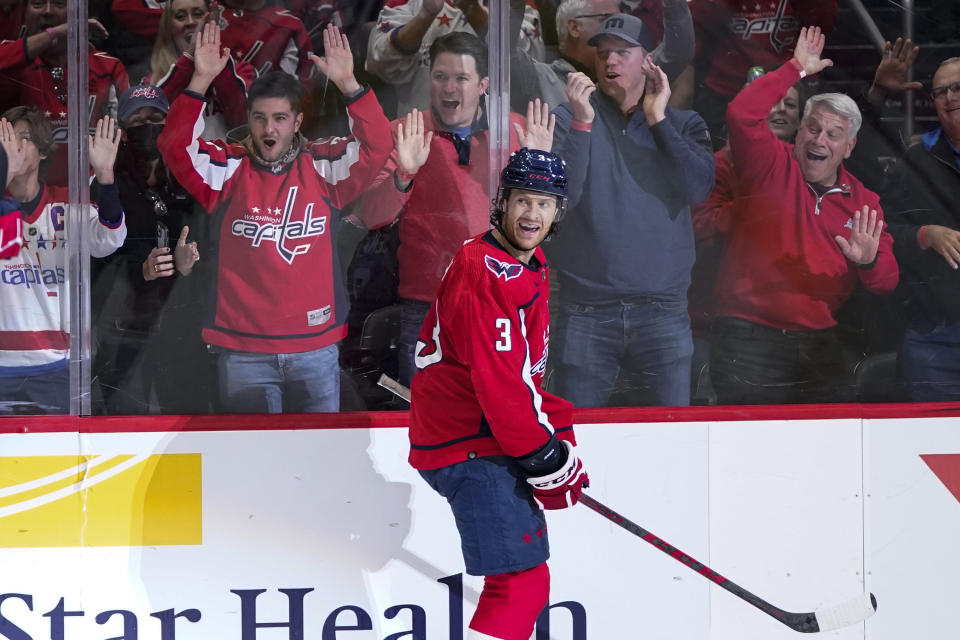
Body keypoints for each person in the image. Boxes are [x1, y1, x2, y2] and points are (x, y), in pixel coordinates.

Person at [158, 22, 392, 413]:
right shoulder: (228, 169)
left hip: (315, 348)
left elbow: (377, 145)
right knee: (254, 466)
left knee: (318, 458)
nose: (270, 130)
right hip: (244, 351)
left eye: (281, 118)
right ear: (248, 119)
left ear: (297, 122)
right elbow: (176, 147)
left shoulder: (322, 166)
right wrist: (200, 80)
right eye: (260, 118)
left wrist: (350, 84)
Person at [409, 148, 587, 640]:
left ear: (558, 212)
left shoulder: (528, 264)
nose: (533, 214)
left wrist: (559, 440)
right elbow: (500, 382)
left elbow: (524, 376)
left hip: (485, 435)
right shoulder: (484, 269)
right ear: (502, 203)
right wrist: (543, 453)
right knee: (519, 582)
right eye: (523, 201)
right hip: (468, 441)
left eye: (545, 204)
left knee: (523, 580)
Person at [352, 31, 555, 387]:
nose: (449, 88)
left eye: (461, 78)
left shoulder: (517, 132)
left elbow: (546, 220)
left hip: (502, 307)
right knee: (429, 424)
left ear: (483, 85)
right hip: (428, 307)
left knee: (499, 416)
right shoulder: (406, 132)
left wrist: (536, 163)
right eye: (441, 76)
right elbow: (372, 217)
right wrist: (405, 171)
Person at [708, 27, 899, 405]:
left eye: (833, 134)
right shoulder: (769, 162)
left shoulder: (864, 201)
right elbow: (742, 112)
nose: (819, 140)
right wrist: (795, 67)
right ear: (797, 133)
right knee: (749, 449)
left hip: (821, 342)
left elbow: (887, 281)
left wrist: (870, 259)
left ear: (849, 147)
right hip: (747, 337)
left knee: (829, 449)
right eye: (812, 128)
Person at [549, 13, 715, 408]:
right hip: (586, 310)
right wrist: (582, 125)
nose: (610, 62)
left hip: (663, 310)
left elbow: (698, 188)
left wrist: (658, 118)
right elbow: (563, 199)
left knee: (670, 440)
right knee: (580, 441)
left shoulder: (682, 123)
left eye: (622, 52)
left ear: (647, 62)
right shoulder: (568, 117)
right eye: (604, 53)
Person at [91, 84, 214, 414]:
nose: (147, 125)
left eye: (156, 117)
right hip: (125, 331)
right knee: (124, 426)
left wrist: (191, 267)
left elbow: (215, 250)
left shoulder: (192, 178)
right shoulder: (105, 184)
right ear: (124, 132)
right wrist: (138, 270)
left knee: (188, 422)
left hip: (182, 329)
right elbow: (92, 261)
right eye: (137, 120)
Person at [688, 69, 806, 401]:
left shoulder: (806, 169)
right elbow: (700, 231)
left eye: (791, 104)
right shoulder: (717, 166)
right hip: (714, 327)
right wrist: (754, 206)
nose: (781, 109)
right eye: (772, 101)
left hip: (781, 328)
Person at [0, 107, 126, 413]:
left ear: (43, 151)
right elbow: (8, 243)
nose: (15, 146)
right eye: (8, 139)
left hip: (55, 367)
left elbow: (110, 239)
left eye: (25, 138)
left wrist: (106, 177)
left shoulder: (67, 203)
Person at [882, 56, 960, 401]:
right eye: (940, 92)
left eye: (958, 88)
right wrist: (926, 234)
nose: (949, 98)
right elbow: (882, 231)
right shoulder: (917, 159)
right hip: (937, 335)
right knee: (930, 447)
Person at [0, 0, 128, 185]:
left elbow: (126, 137)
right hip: (24, 198)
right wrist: (57, 32)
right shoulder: (12, 60)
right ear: (24, 14)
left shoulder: (107, 67)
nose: (48, 11)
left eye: (60, 4)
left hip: (91, 196)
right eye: (37, 4)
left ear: (77, 13)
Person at [690, 0, 838, 149]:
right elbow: (695, 23)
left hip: (791, 91)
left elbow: (825, 22)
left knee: (797, 158)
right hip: (726, 92)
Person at [366, 0, 546, 117]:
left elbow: (529, 71)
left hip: (491, 148)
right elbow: (380, 64)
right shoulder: (407, 2)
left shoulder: (514, 3)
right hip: (420, 140)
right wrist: (424, 17)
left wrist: (473, 11)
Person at [509, 0, 694, 113]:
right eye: (607, 18)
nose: (618, 27)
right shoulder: (538, 78)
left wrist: (672, 3)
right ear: (574, 28)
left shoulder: (628, 74)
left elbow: (677, 51)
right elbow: (502, 51)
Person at [148, 0, 254, 140]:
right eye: (180, 17)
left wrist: (214, 58)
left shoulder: (242, 72)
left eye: (198, 14)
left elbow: (243, 122)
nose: (190, 22)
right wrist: (190, 56)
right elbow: (154, 121)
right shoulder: (152, 82)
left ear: (212, 21)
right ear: (169, 28)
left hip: (228, 160)